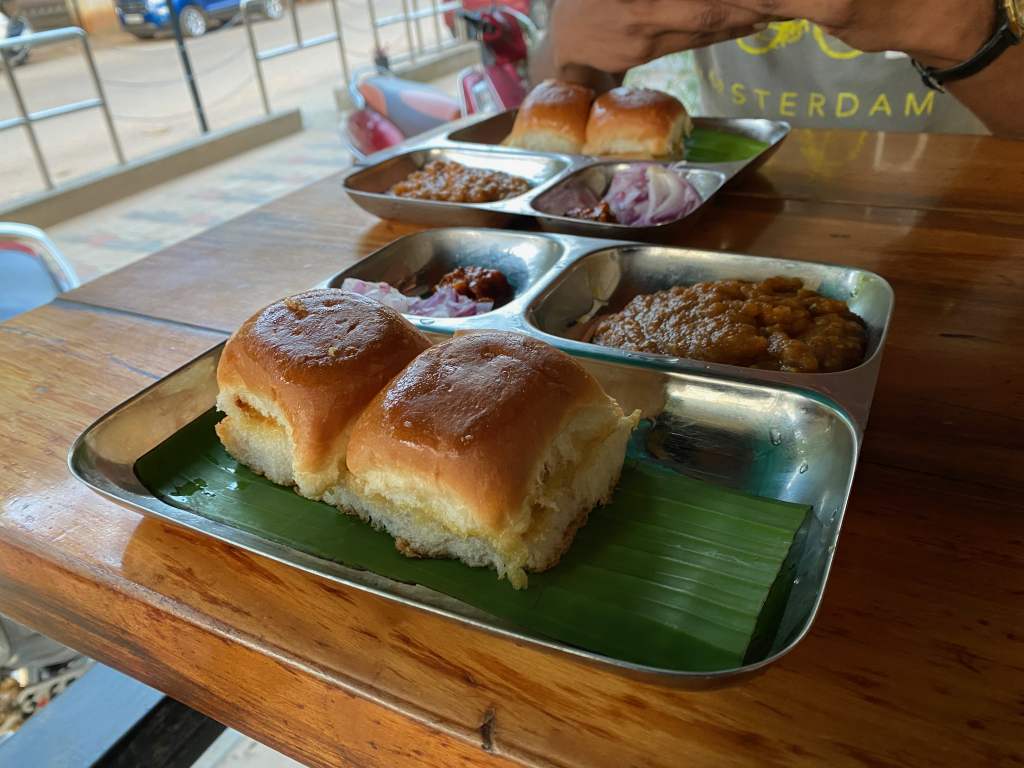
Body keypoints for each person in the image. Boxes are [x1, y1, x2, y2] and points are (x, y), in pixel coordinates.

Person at [529, 0, 1024, 137]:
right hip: (734, 230)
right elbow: (555, 107)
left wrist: (970, 33)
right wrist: (567, 46)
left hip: (971, 244)